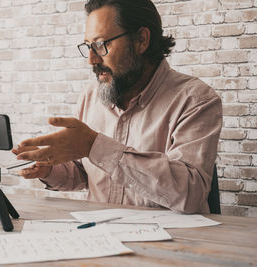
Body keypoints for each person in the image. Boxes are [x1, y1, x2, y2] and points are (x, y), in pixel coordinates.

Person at [12, 0, 222, 214]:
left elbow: (190, 192)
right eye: (88, 47)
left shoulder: (195, 100)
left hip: (171, 241)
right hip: (102, 236)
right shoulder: (91, 95)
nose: (91, 60)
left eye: (101, 45)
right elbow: (85, 174)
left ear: (141, 40)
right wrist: (49, 169)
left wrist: (95, 147)